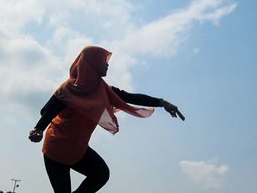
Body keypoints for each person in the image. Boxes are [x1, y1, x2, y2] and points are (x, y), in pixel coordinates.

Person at [28, 46, 184, 193]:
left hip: (78, 150)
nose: (107, 65)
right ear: (92, 63)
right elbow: (48, 111)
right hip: (56, 150)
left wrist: (162, 102)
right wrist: (38, 129)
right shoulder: (69, 88)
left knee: (101, 174)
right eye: (104, 61)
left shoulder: (104, 90)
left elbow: (129, 97)